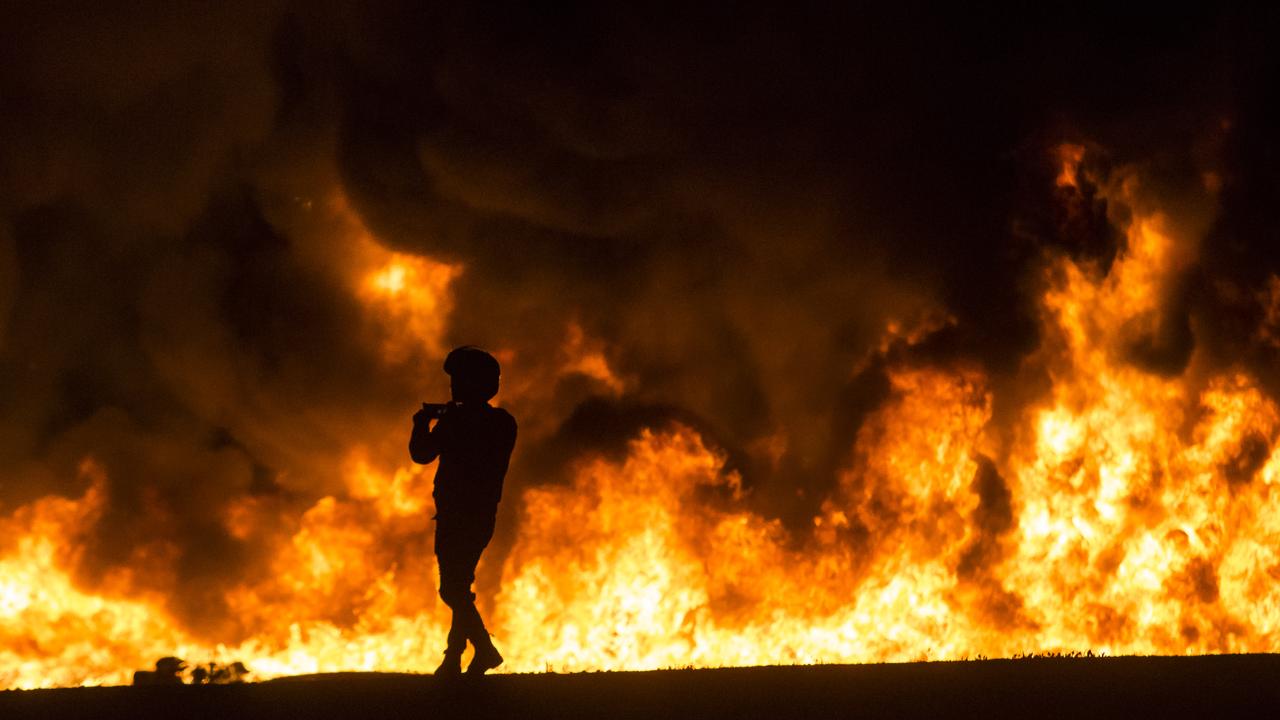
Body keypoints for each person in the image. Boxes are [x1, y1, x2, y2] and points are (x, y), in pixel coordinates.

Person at [410, 346, 518, 677]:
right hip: (482, 515)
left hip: (458, 516)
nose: (454, 387)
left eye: (460, 381)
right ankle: (454, 657)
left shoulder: (458, 423)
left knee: (451, 589)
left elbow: (421, 454)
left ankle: (484, 650)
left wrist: (421, 424)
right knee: (460, 585)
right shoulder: (502, 422)